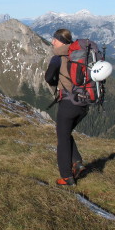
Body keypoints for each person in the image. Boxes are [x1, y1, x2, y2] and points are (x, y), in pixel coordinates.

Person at [44, 28, 88, 186]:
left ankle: (67, 177)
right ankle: (77, 163)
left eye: (54, 40)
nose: (52, 42)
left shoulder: (58, 58)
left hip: (68, 103)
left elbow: (48, 78)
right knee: (66, 132)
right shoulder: (81, 54)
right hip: (84, 103)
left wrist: (57, 83)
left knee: (62, 139)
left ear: (60, 41)